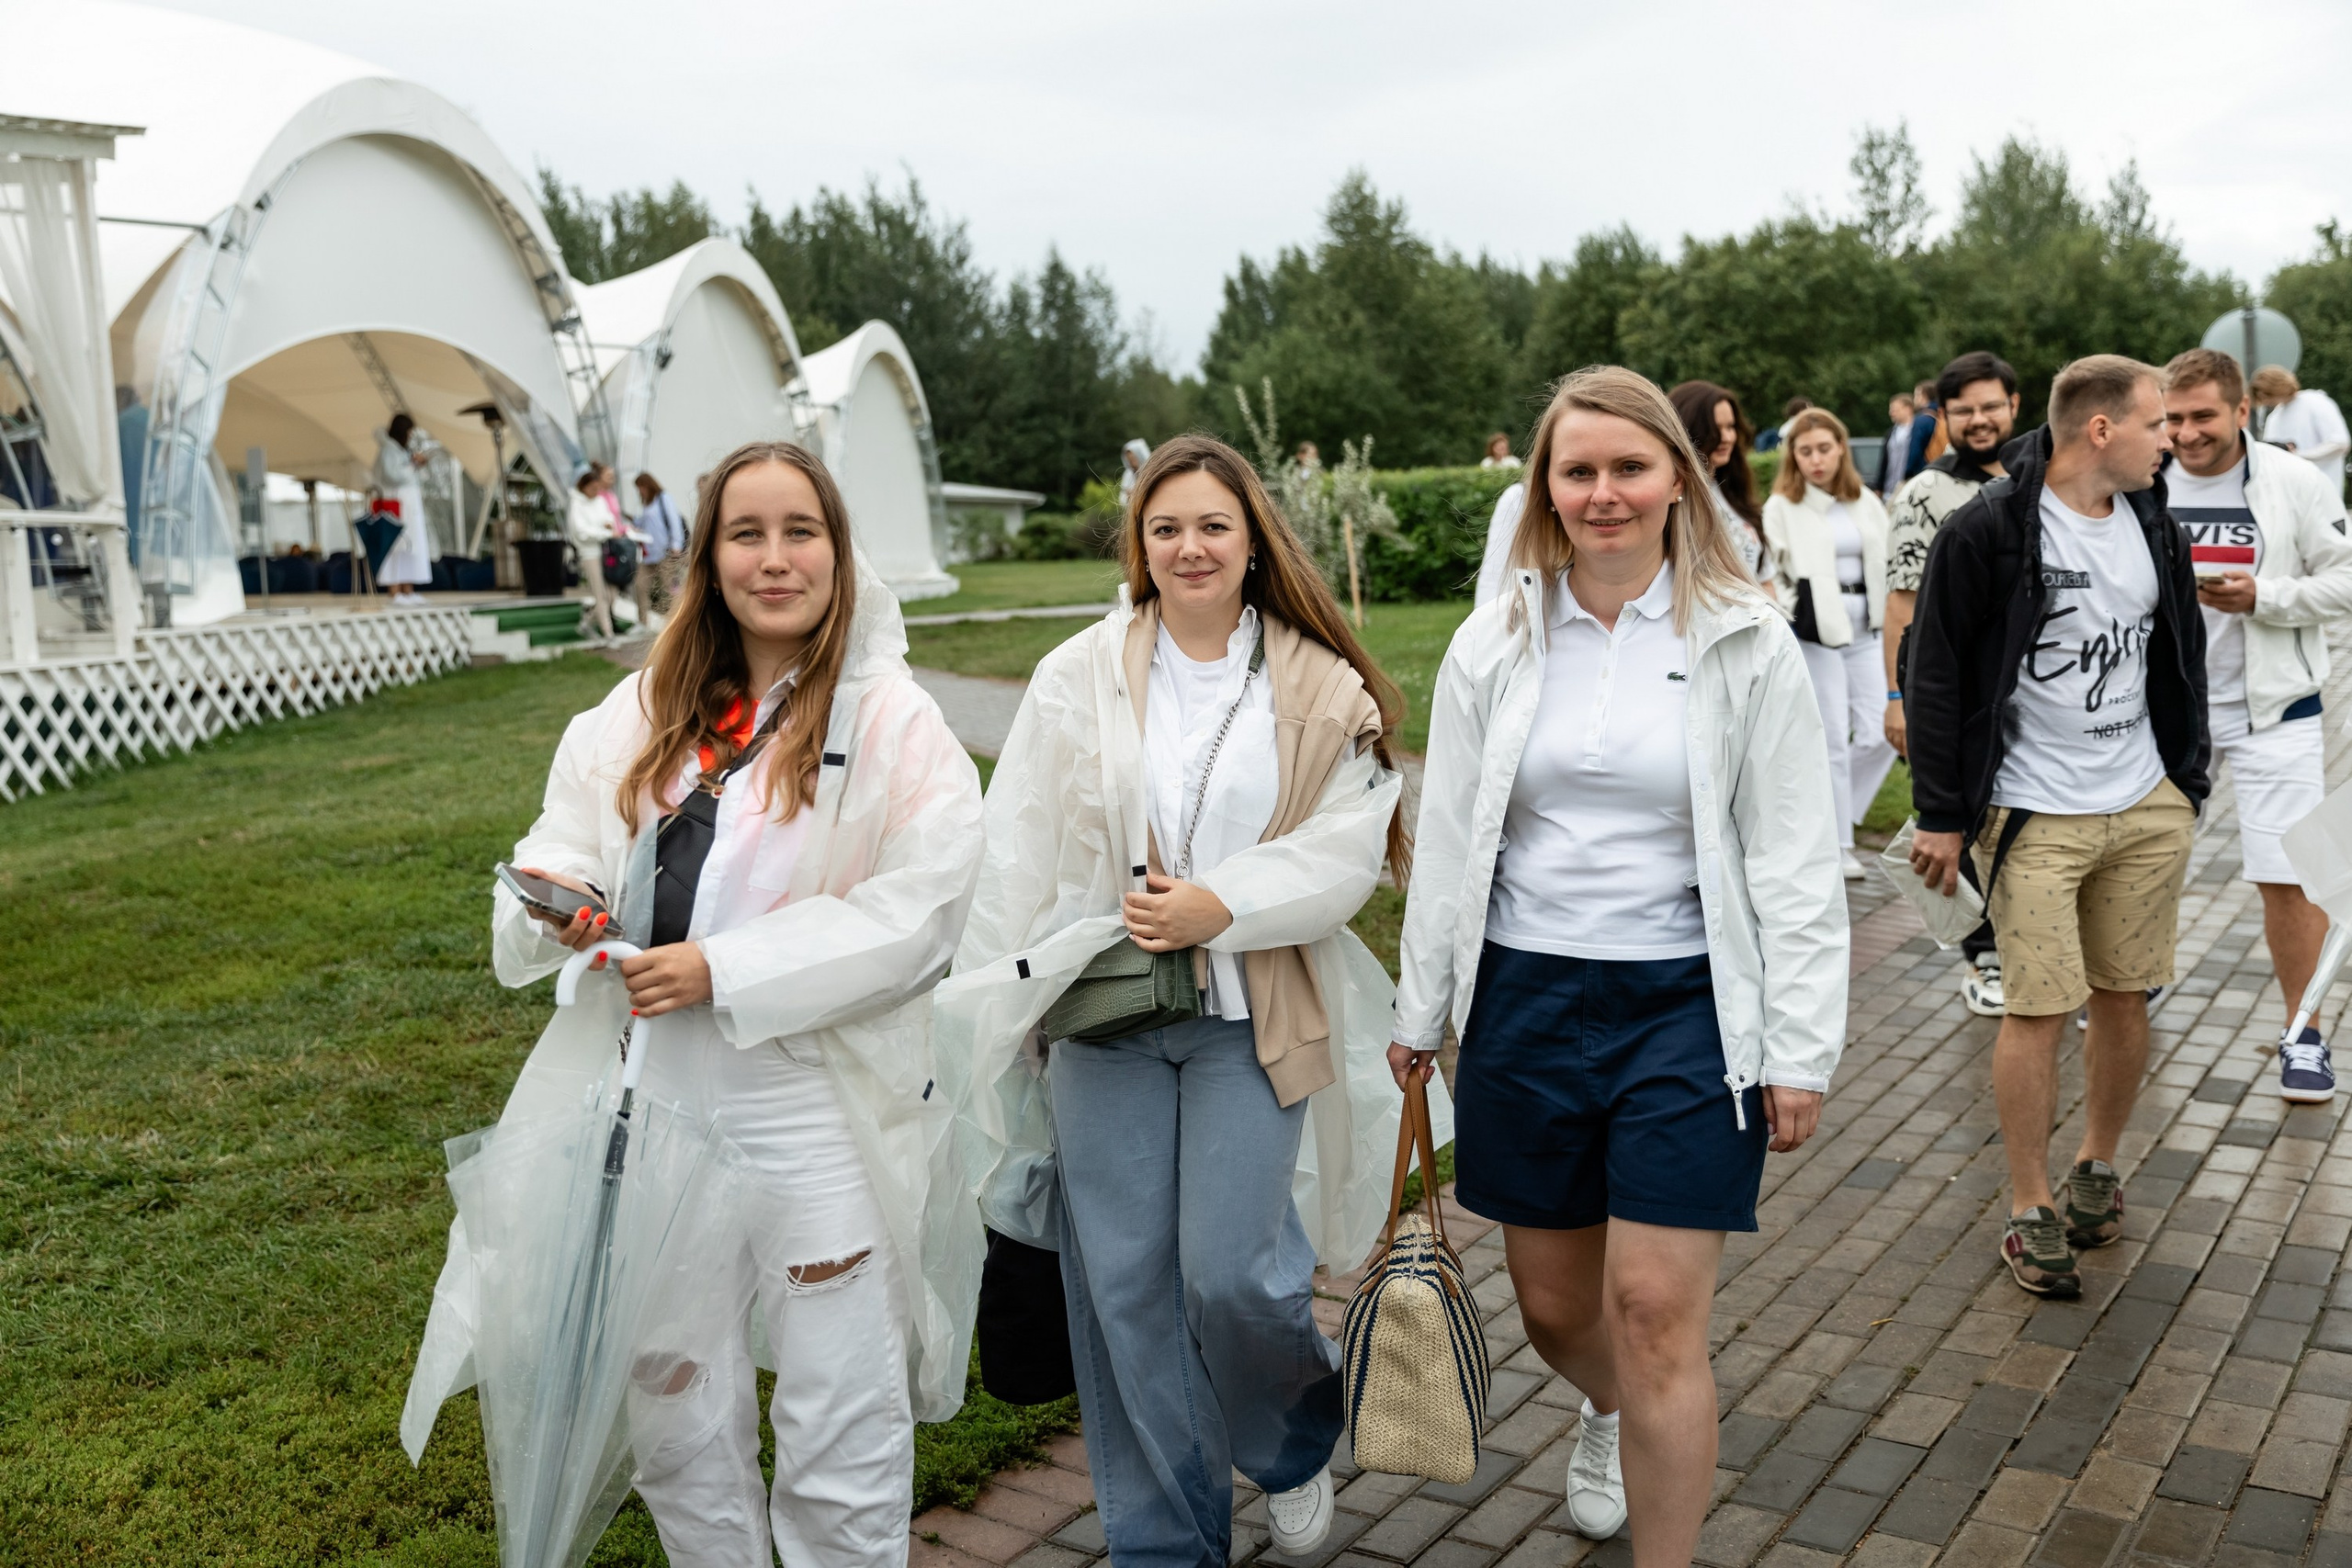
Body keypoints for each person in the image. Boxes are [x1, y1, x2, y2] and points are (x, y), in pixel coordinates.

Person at [404, 439, 987, 1566]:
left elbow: (922, 910)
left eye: (799, 532)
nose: (775, 560)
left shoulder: (892, 721)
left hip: (809, 1103)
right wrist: (559, 892)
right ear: (708, 557)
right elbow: (564, 832)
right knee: (673, 1402)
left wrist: (724, 967)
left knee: (839, 1410)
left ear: (838, 551)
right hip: (651, 1096)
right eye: (746, 534)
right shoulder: (644, 707)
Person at [1394, 366, 1844, 1562]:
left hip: (1687, 1008)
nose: (1604, 492)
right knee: (1552, 1303)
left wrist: (1799, 1046)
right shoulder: (1495, 640)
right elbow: (1447, 834)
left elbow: (1797, 853)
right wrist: (1419, 1005)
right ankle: (1604, 1404)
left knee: (1653, 1310)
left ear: (1676, 481)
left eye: (1629, 466)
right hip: (1527, 1002)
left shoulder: (1743, 637)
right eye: (1578, 468)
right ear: (1545, 484)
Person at [945, 433, 1419, 1568]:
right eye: (1165, 529)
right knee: (1125, 1291)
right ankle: (1167, 1542)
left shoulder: (1316, 680)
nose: (1189, 546)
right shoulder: (1081, 671)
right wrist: (1006, 1007)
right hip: (1104, 1018)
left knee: (1233, 1273)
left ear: (1253, 540)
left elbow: (1348, 849)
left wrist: (1223, 905)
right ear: (1139, 547)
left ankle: (1291, 1439)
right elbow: (1020, 845)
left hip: (1250, 1020)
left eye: (1212, 525)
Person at [1905, 355, 2207, 1299]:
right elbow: (1938, 670)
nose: (2174, 441)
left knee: (2126, 993)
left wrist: (2183, 782)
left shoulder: (2153, 519)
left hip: (2144, 802)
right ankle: (2029, 1207)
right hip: (2035, 811)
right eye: (2158, 424)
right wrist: (1941, 816)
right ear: (2101, 430)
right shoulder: (1987, 530)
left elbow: (2179, 645)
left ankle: (2095, 1168)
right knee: (2036, 1006)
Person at [2164, 348, 2352, 1101]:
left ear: (2243, 411)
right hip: (2169, 711)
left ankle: (2303, 1031)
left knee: (2289, 875)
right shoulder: (2145, 478)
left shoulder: (2294, 479)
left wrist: (2263, 597)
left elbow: (2345, 578)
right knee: (2147, 863)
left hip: (2278, 709)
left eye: (2203, 415)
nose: (2186, 433)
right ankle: (2132, 985)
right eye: (2173, 418)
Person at [1883, 351, 2022, 1016]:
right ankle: (1984, 956)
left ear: (2015, 406)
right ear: (1943, 417)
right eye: (1963, 409)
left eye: (1990, 405)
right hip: (1955, 691)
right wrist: (1896, 698)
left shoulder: (2046, 479)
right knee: (1962, 821)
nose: (1979, 419)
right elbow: (1902, 603)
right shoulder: (1924, 494)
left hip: (2032, 692)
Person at [1763, 409, 1895, 881]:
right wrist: (1791, 608)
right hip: (1818, 632)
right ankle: (1839, 843)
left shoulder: (1866, 502)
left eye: (1824, 448)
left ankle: (1831, 817)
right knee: (1834, 739)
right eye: (1805, 451)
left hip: (1867, 630)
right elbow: (1772, 573)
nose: (1816, 460)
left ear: (1841, 448)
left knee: (1881, 733)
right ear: (1793, 457)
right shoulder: (1782, 506)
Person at [1668, 380, 1771, 587]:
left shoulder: (1734, 492)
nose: (1726, 437)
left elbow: (1765, 579)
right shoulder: (1671, 497)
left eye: (1730, 427)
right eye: (1715, 429)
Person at [2253, 366, 2351, 495]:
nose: (2265, 401)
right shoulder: (2274, 417)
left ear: (2278, 387)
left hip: (2323, 494)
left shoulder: (2315, 401)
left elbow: (2340, 443)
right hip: (2290, 497)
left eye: (2267, 394)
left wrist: (2299, 455)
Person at [374, 413, 434, 607]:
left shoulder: (402, 450)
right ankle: (394, 590)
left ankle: (408, 589)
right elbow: (392, 475)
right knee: (396, 545)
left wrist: (414, 462)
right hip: (396, 503)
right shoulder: (388, 451)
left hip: (409, 503)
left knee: (412, 546)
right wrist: (412, 464)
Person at [636, 470, 690, 607]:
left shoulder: (663, 498)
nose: (640, 491)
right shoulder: (647, 503)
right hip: (649, 554)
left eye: (641, 487)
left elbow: (674, 522)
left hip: (665, 552)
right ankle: (643, 622)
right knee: (640, 585)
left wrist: (677, 545)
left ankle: (678, 621)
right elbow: (645, 523)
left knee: (670, 588)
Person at [1882, 392, 1916, 500]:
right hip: (1889, 489)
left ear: (1908, 409)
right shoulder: (1891, 432)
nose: (1891, 413)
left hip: (1909, 488)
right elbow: (1884, 461)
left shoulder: (1916, 431)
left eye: (1895, 409)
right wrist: (1879, 485)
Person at [1117, 437, 1152, 503]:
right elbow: (1122, 498)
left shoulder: (1150, 471)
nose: (1131, 461)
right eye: (1129, 459)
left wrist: (1136, 493)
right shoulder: (1128, 474)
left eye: (1133, 458)